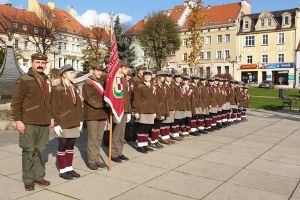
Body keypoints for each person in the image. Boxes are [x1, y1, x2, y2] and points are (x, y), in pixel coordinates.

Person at [11, 53, 53, 191]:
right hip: (28, 122)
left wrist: (51, 117)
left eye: (43, 62)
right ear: (32, 62)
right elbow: (16, 102)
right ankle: (28, 178)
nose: (40, 64)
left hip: (44, 122)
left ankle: (38, 176)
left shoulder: (47, 80)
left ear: (45, 64)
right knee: (29, 151)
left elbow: (49, 101)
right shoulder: (24, 79)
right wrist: (18, 120)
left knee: (40, 150)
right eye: (37, 62)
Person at [51, 64, 83, 179]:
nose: (74, 75)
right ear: (64, 74)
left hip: (74, 121)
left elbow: (79, 105)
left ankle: (69, 168)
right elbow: (54, 107)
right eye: (71, 73)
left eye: (74, 73)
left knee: (71, 145)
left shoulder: (74, 87)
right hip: (63, 121)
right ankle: (63, 170)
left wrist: (81, 120)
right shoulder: (57, 89)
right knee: (62, 146)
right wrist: (56, 123)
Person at [82, 62, 109, 170]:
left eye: (101, 71)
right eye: (97, 70)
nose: (100, 73)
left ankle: (96, 158)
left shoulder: (102, 82)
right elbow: (91, 100)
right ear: (93, 70)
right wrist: (106, 103)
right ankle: (91, 161)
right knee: (92, 139)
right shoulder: (88, 83)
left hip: (102, 114)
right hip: (92, 114)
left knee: (99, 138)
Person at [111, 62, 130, 163]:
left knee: (122, 133)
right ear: (120, 69)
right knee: (117, 133)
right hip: (119, 110)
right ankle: (114, 153)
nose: (127, 69)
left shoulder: (124, 79)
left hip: (125, 110)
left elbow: (127, 97)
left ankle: (119, 152)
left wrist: (128, 111)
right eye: (125, 68)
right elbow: (115, 96)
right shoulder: (117, 79)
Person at [134, 70, 156, 153]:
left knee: (147, 128)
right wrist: (136, 111)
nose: (147, 77)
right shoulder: (140, 86)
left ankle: (145, 144)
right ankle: (140, 145)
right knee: (141, 128)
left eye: (149, 75)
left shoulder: (152, 87)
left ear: (151, 77)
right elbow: (136, 99)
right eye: (145, 75)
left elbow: (154, 100)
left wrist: (154, 111)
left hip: (150, 110)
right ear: (143, 76)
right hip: (142, 110)